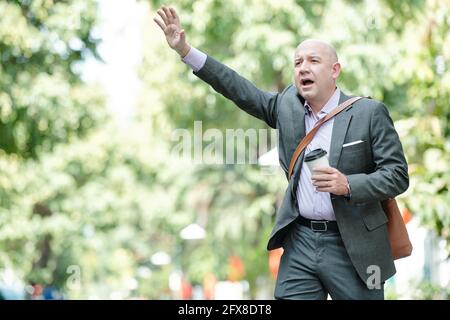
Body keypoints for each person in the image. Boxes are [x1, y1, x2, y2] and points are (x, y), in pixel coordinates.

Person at [154, 6, 409, 300]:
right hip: (300, 241)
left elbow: (397, 176)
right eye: (298, 62)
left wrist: (348, 184)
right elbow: (237, 87)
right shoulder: (286, 107)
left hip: (353, 245)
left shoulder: (368, 113)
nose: (303, 68)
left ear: (334, 70)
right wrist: (185, 50)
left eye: (313, 61)